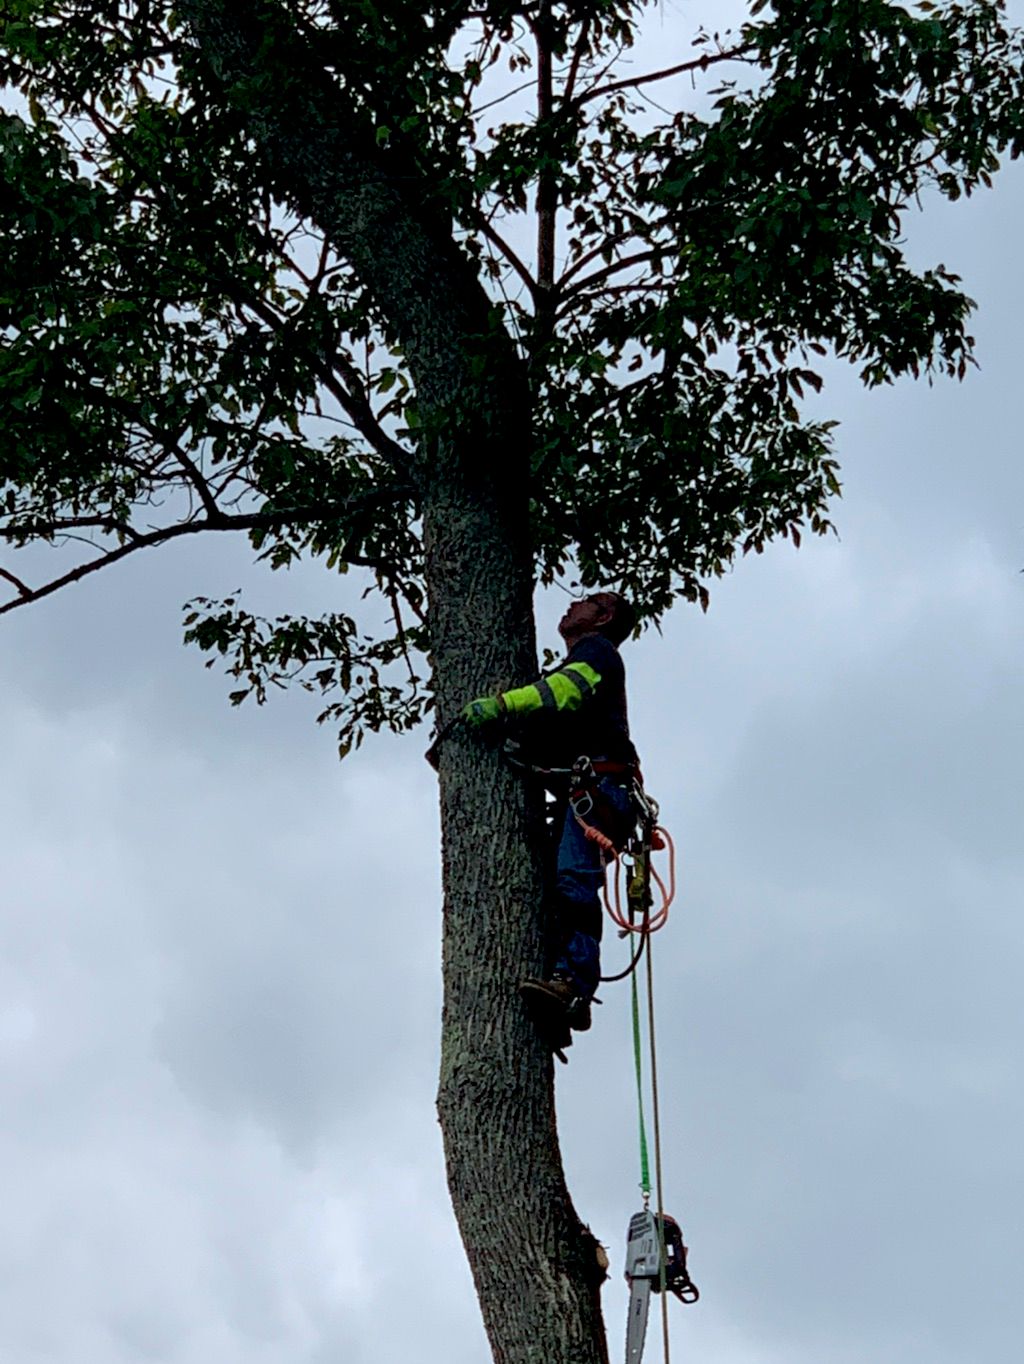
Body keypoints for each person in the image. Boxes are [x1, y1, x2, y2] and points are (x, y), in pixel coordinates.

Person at [462, 591, 639, 1049]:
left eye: (587, 601)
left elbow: (562, 693)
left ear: (603, 618)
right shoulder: (583, 664)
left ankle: (574, 988)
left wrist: (503, 706)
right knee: (554, 891)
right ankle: (558, 991)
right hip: (585, 792)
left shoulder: (597, 654)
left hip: (599, 792)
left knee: (573, 884)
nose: (572, 603)